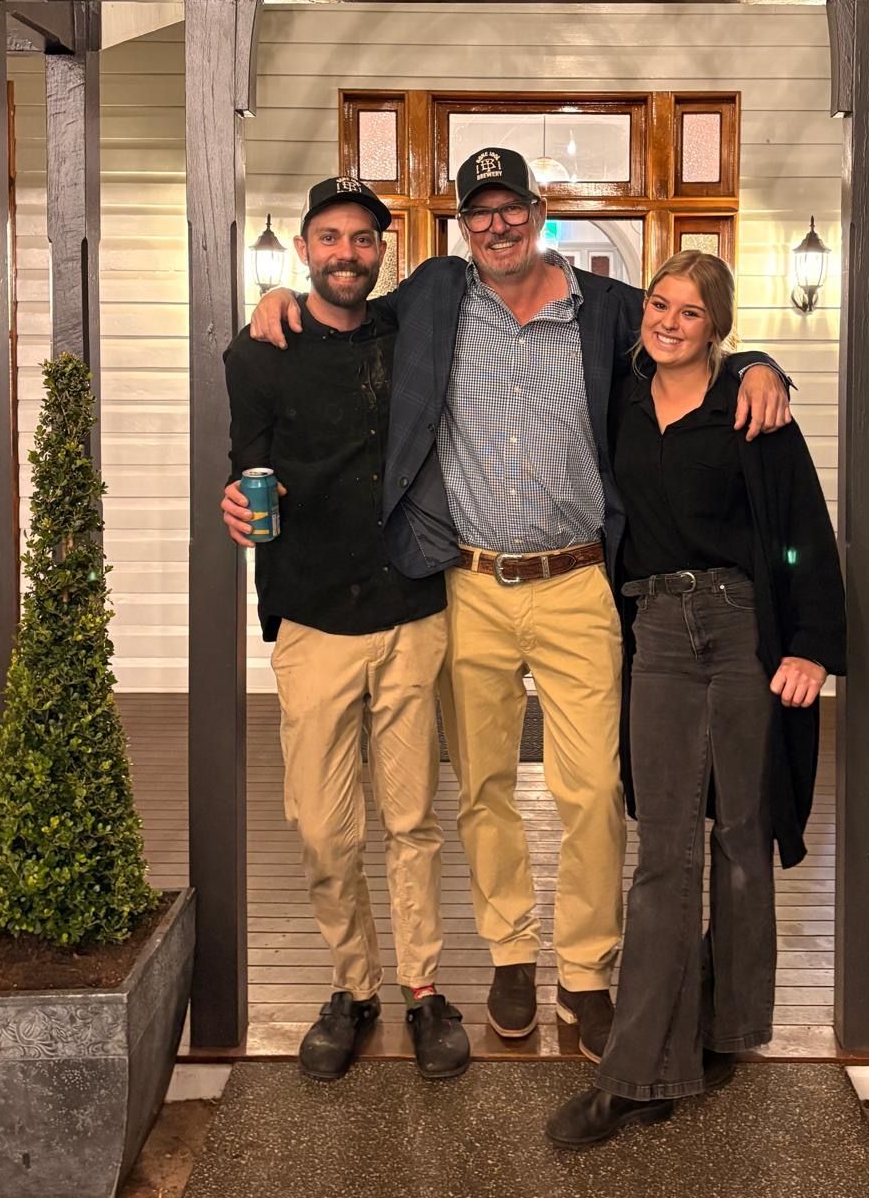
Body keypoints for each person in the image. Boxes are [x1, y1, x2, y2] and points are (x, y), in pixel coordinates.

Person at [231, 150, 792, 1063]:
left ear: (538, 211)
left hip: (575, 584)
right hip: (470, 584)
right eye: (478, 212)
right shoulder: (435, 300)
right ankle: (506, 957)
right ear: (461, 227)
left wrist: (760, 358)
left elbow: (683, 341)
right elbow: (347, 313)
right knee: (482, 786)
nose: (497, 225)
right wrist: (276, 302)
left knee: (593, 790)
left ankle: (585, 973)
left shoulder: (604, 309)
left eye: (511, 208)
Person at [545, 249, 845, 1148]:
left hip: (744, 624)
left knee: (743, 833)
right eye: (658, 305)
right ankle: (641, 1073)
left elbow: (802, 530)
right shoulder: (622, 400)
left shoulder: (752, 408)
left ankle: (728, 1027)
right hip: (660, 630)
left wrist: (813, 648)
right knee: (664, 846)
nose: (667, 322)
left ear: (717, 326)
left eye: (688, 312)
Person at [222, 176, 470, 1083]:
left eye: (363, 240)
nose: (346, 255)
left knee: (410, 819)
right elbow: (243, 465)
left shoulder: (412, 329)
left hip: (411, 608)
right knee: (325, 828)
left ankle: (424, 990)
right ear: (303, 247)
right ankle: (352, 988)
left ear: (382, 250)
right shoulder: (256, 355)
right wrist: (239, 503)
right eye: (329, 239)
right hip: (314, 613)